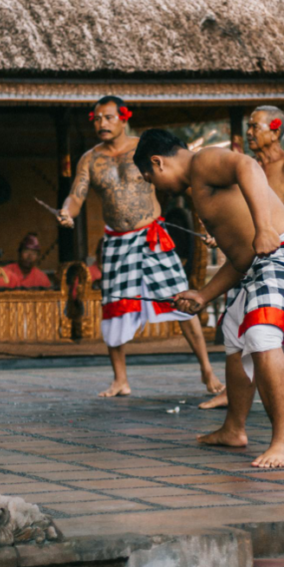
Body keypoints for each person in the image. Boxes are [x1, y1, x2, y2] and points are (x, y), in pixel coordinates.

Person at [134, 129, 284, 468]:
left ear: (158, 163)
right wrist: (204, 295)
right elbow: (241, 259)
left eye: (149, 179)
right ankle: (234, 429)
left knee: (261, 333)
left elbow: (248, 166)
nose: (155, 187)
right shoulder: (200, 188)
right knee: (234, 331)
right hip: (260, 263)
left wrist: (264, 227)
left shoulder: (202, 161)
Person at [57, 96, 223, 398]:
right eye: (97, 118)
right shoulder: (89, 160)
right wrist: (67, 212)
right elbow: (76, 195)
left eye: (108, 117)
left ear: (123, 118)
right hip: (117, 241)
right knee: (115, 305)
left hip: (152, 234)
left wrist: (209, 225)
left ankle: (207, 370)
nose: (102, 123)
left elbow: (189, 184)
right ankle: (120, 379)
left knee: (182, 298)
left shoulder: (144, 150)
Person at [201, 106, 284, 414]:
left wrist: (280, 242)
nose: (249, 133)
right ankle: (234, 393)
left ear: (275, 131)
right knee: (239, 322)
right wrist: (224, 236)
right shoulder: (247, 166)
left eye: (255, 127)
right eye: (248, 126)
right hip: (253, 256)